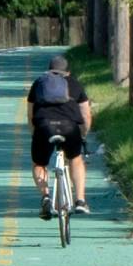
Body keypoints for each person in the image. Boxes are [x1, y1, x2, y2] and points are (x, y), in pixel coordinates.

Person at [24, 57, 92, 215]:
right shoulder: (75, 84)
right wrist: (83, 135)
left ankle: (46, 197)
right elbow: (86, 115)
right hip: (70, 128)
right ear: (68, 72)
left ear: (49, 71)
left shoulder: (39, 83)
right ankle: (80, 200)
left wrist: (34, 134)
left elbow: (30, 114)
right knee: (75, 159)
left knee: (39, 164)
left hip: (44, 127)